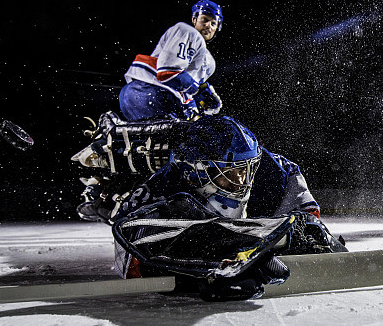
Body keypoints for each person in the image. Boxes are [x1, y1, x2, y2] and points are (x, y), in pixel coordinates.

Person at [109, 115, 345, 301]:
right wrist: (196, 272)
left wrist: (302, 230)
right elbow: (133, 262)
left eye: (245, 169)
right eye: (229, 172)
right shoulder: (160, 191)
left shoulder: (273, 171)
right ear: (197, 172)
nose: (242, 181)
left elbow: (307, 219)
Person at [119, 0, 224, 122]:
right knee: (193, 133)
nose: (208, 26)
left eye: (213, 23)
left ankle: (107, 134)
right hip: (148, 90)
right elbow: (168, 73)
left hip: (156, 97)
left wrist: (204, 100)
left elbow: (186, 88)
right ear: (194, 19)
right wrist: (198, 93)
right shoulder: (187, 32)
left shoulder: (209, 61)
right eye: (205, 20)